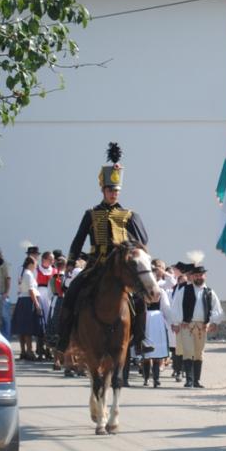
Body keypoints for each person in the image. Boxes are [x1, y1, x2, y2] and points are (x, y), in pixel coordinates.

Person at [56, 143, 153, 356]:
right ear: (103, 190)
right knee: (72, 292)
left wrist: (136, 250)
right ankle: (63, 338)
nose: (113, 194)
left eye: (116, 191)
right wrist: (71, 263)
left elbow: (142, 239)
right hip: (96, 264)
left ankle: (141, 340)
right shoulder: (91, 214)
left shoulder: (128, 215)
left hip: (120, 266)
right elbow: (78, 240)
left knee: (139, 298)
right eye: (110, 190)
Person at [168, 253, 226, 388]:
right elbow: (175, 306)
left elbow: (217, 308)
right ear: (192, 277)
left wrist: (214, 322)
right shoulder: (184, 290)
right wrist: (176, 323)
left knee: (199, 353)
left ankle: (196, 381)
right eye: (196, 275)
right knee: (188, 351)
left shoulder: (209, 292)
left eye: (201, 275)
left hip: (202, 326)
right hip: (186, 325)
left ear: (204, 276)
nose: (199, 277)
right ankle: (189, 380)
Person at [140, 260, 172, 387]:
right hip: (146, 318)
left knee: (157, 352)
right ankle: (146, 377)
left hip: (157, 320)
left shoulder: (161, 291)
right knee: (147, 353)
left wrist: (171, 322)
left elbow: (166, 308)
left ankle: (156, 378)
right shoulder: (143, 290)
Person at [9, 256, 43, 360]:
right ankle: (29, 351)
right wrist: (36, 304)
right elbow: (31, 290)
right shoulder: (28, 274)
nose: (36, 265)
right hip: (28, 300)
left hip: (21, 300)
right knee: (27, 328)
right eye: (35, 263)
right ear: (31, 263)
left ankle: (23, 351)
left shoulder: (24, 273)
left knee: (22, 328)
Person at [0, 247, 11, 338]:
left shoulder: (4, 264)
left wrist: (6, 292)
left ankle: (6, 340)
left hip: (2, 294)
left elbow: (8, 279)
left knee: (5, 318)